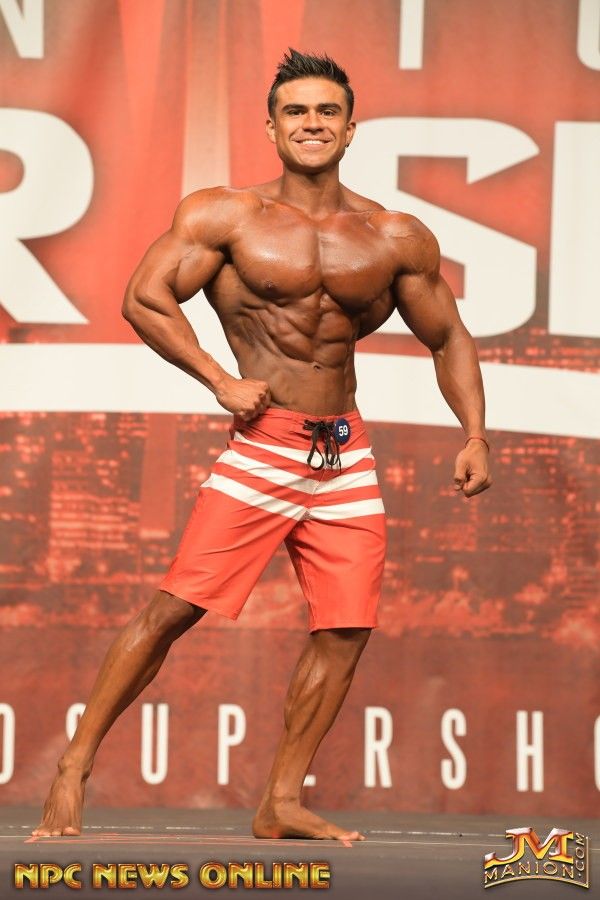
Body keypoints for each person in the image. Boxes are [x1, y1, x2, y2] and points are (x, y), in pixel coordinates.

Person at [33, 49, 492, 842]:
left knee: (346, 627)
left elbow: (448, 334)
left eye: (327, 112)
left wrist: (475, 434)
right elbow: (145, 297)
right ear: (272, 128)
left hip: (344, 452)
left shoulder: (393, 235)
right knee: (174, 609)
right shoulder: (227, 216)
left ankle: (280, 800)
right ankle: (73, 766)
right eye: (296, 112)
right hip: (265, 444)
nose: (312, 124)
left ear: (351, 129)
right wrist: (218, 377)